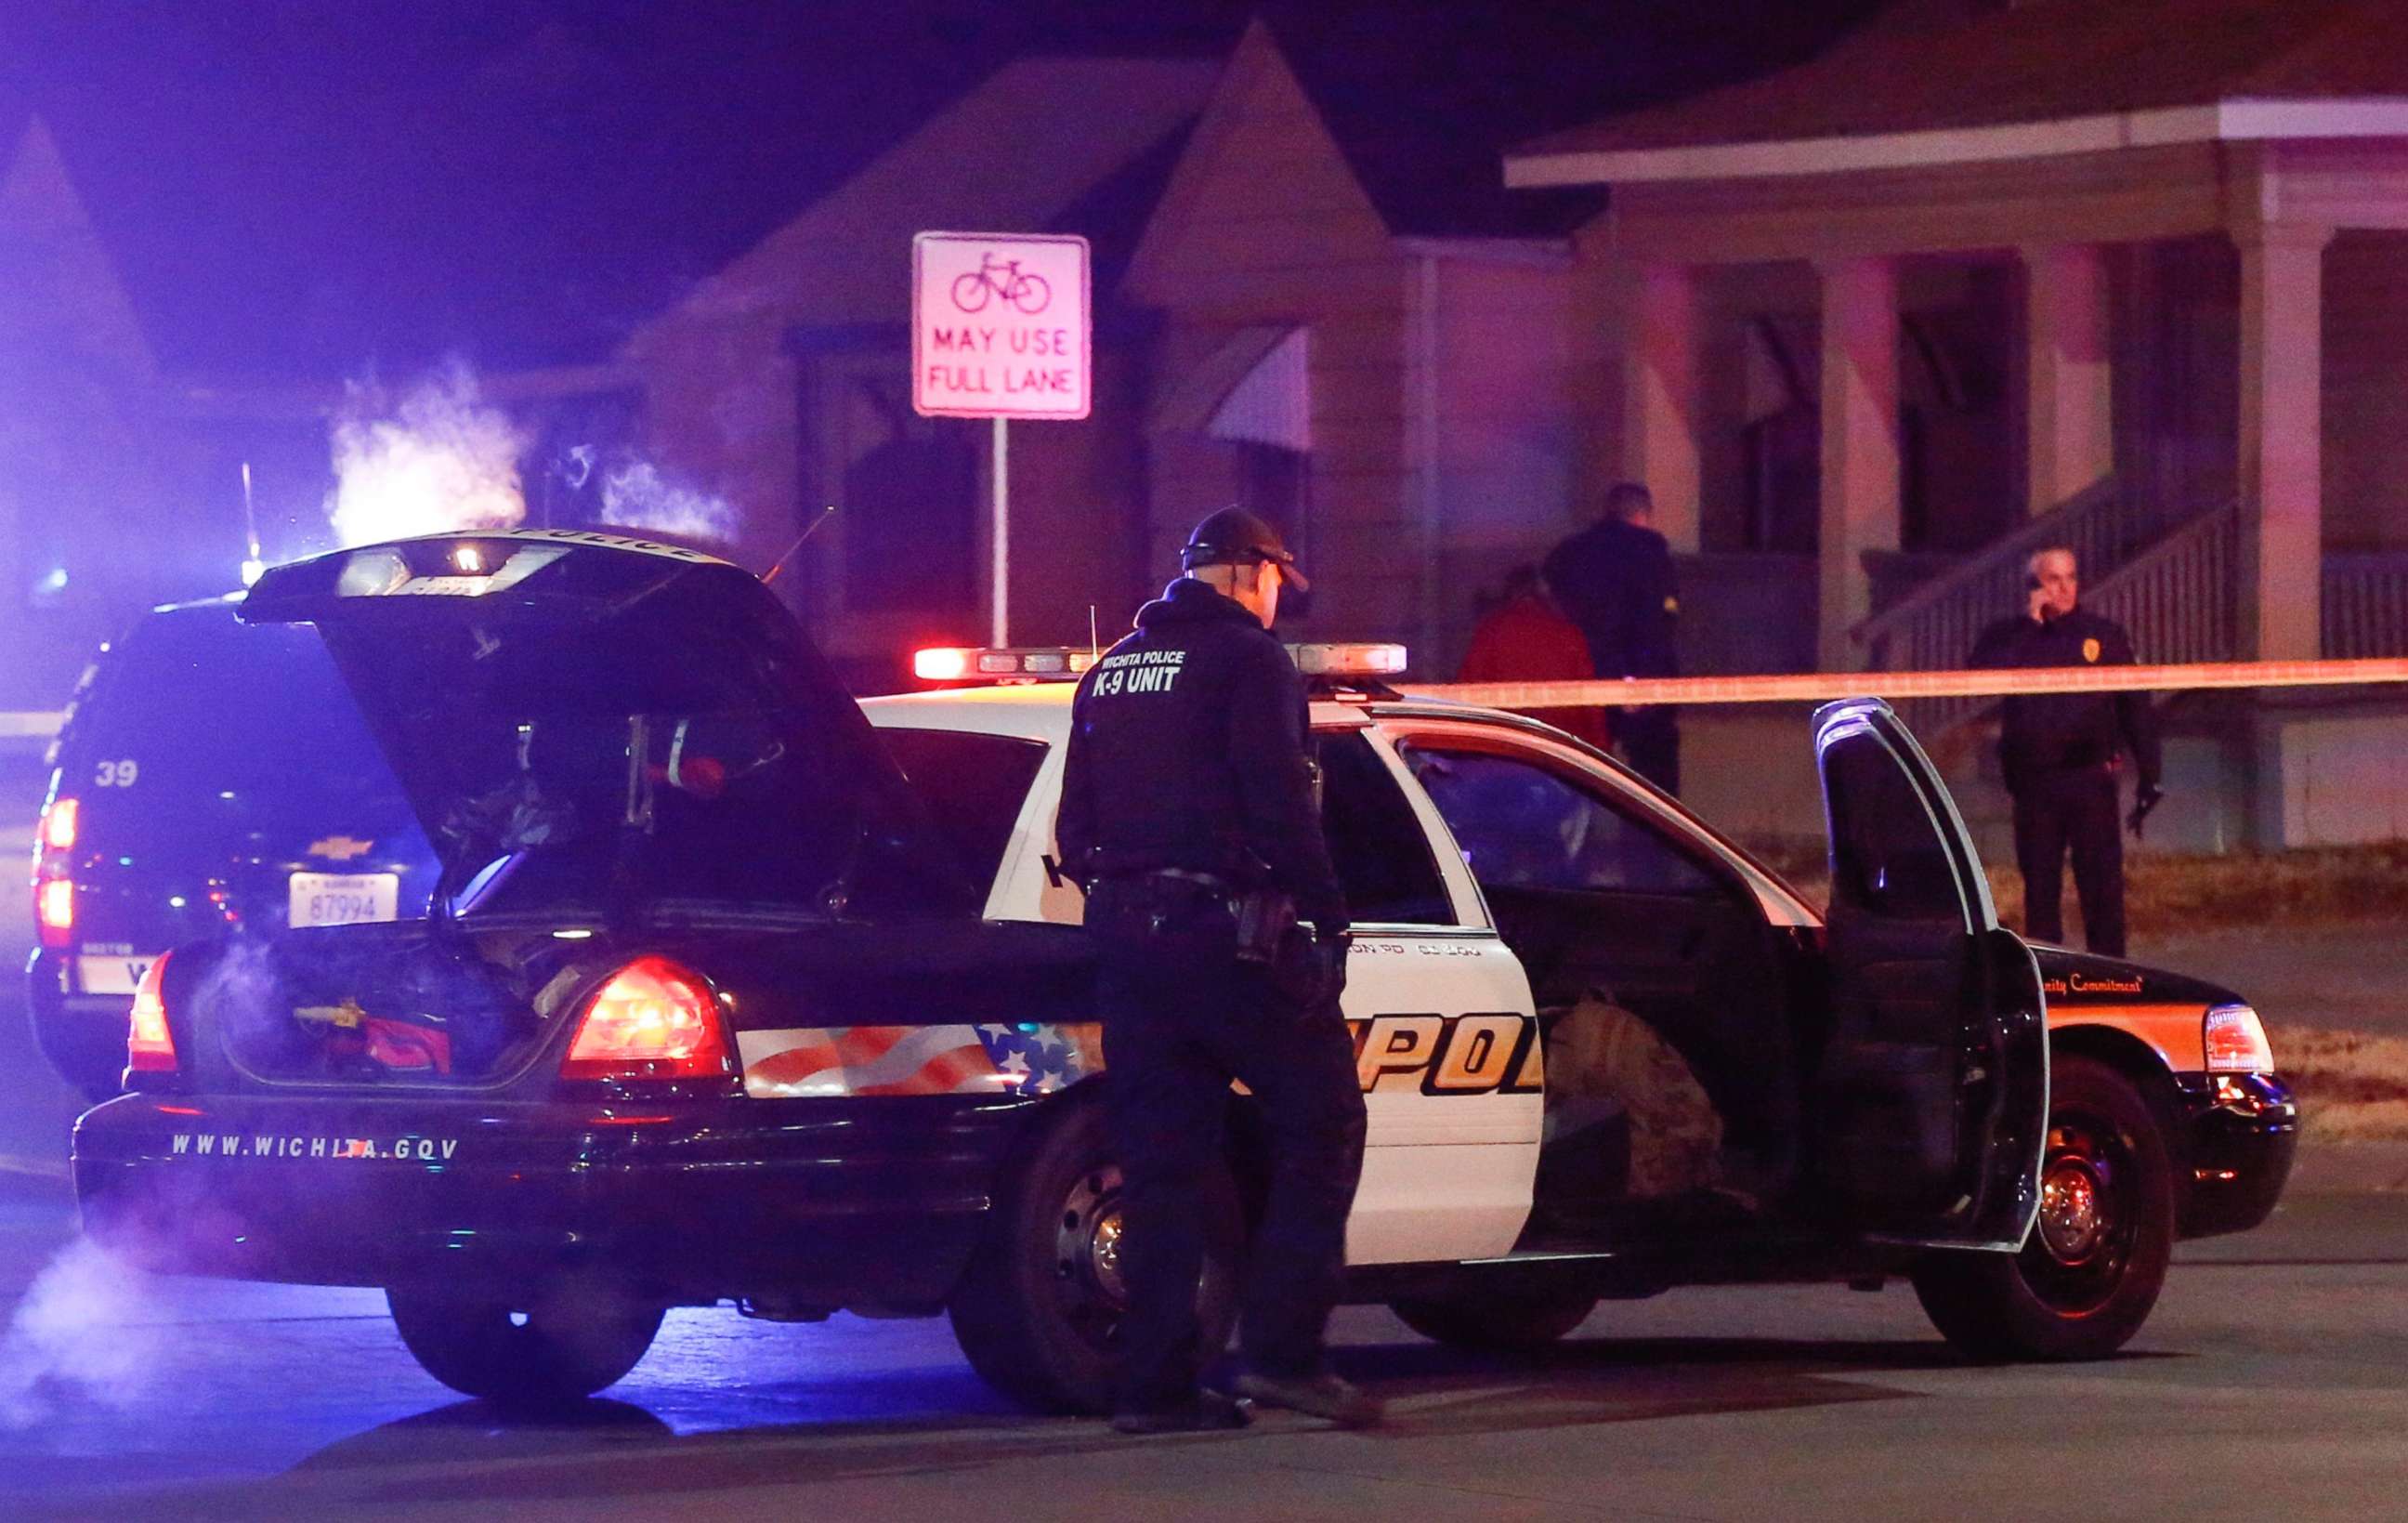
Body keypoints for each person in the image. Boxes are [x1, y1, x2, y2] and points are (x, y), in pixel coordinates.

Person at [1054, 505, 1378, 1434]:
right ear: (1248, 573)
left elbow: (1076, 830)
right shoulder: (1248, 661)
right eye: (1278, 582)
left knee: (1163, 1167)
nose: (1279, 601)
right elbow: (1281, 802)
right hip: (1225, 939)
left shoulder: (1112, 669)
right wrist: (1326, 915)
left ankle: (1153, 1388)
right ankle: (1281, 1355)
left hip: (1128, 942)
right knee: (1324, 1123)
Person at [1969, 546, 2164, 958]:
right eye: (2054, 579)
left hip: (2091, 779)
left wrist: (2150, 770)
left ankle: (2111, 974)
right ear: (2034, 587)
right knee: (2040, 888)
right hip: (2036, 783)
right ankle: (2049, 982)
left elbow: (2135, 704)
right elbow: (1979, 680)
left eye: (2071, 577)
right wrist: (2029, 625)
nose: (2065, 588)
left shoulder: (2102, 635)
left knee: (2102, 887)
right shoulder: (2009, 636)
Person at [1543, 481, 1682, 794]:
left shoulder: (1571, 554)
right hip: (1642, 684)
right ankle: (1652, 839)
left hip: (1585, 675)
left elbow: (1556, 604)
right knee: (1654, 777)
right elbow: (1657, 622)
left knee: (1580, 767)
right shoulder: (1650, 553)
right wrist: (1641, 677)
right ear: (1643, 515)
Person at [1457, 564, 1612, 752]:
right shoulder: (1567, 632)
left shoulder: (1491, 630)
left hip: (1507, 744)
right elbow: (1590, 701)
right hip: (1563, 748)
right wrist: (1601, 750)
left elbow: (1468, 692)